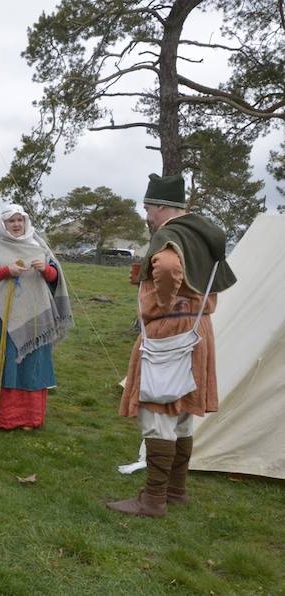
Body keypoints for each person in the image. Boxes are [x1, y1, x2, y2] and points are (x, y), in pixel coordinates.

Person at [107, 173, 236, 518]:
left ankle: (152, 500)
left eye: (149, 207)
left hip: (172, 328)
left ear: (163, 206)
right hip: (198, 327)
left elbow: (166, 265)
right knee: (180, 411)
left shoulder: (170, 235)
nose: (147, 215)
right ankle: (176, 491)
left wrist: (162, 302)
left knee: (159, 406)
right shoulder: (200, 233)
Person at [0, 204, 73, 430]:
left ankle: (28, 418)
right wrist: (6, 271)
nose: (16, 225)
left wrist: (45, 269)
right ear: (3, 224)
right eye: (11, 221)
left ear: (25, 222)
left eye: (19, 220)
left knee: (29, 363)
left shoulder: (38, 244)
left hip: (34, 315)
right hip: (0, 315)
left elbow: (54, 278)